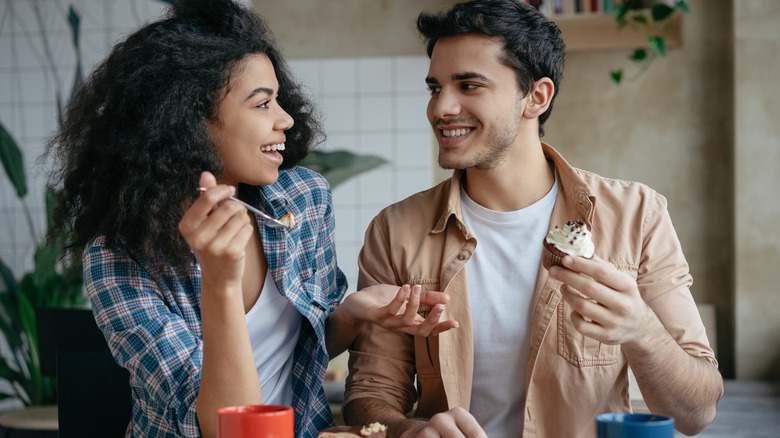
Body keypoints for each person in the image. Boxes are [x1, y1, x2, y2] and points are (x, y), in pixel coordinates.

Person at [43, 1, 456, 437]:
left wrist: (351, 314)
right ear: (190, 122)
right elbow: (221, 427)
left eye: (278, 99)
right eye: (262, 105)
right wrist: (220, 281)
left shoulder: (304, 198)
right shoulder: (119, 259)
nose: (286, 118)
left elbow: (294, 355)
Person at [342, 1, 723, 437]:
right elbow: (370, 394)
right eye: (435, 88)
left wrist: (641, 330)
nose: (441, 108)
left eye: (468, 85)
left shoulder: (638, 215)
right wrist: (410, 432)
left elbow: (697, 414)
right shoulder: (394, 231)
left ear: (536, 97)